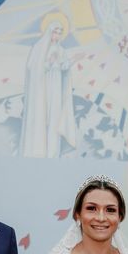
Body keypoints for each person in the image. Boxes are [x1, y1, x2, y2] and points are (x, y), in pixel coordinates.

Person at [32, 175, 128, 254]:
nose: (101, 218)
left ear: (120, 217)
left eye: (110, 210)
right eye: (91, 208)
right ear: (77, 214)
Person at [21, 20, 81, 157]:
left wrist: (73, 60)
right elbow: (33, 67)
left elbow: (63, 67)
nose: (58, 35)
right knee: (41, 117)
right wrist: (49, 62)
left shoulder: (61, 50)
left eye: (60, 32)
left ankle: (52, 152)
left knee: (54, 118)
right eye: (56, 32)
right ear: (49, 32)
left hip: (56, 87)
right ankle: (38, 151)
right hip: (42, 89)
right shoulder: (39, 48)